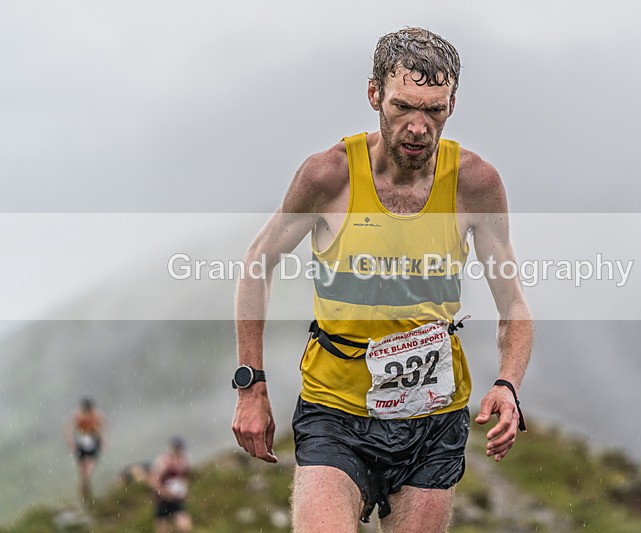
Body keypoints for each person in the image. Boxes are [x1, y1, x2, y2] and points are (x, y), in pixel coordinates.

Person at [232, 27, 534, 533]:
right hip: (336, 411)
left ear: (452, 104)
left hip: (433, 417)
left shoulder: (474, 183)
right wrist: (250, 385)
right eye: (403, 107)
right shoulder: (329, 175)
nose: (418, 127)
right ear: (374, 94)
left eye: (434, 110)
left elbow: (514, 306)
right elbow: (256, 265)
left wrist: (508, 383)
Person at [64, 396, 106, 501]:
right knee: (84, 468)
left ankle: (85, 483)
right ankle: (85, 484)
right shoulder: (79, 415)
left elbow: (103, 427)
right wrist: (70, 441)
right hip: (84, 441)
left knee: (86, 467)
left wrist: (103, 440)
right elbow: (69, 428)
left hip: (90, 440)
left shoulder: (96, 415)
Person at [150, 437, 192, 533]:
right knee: (163, 528)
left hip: (176, 498)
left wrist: (185, 492)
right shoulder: (164, 462)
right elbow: (154, 480)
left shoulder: (183, 461)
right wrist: (164, 492)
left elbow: (184, 478)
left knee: (184, 526)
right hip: (163, 500)